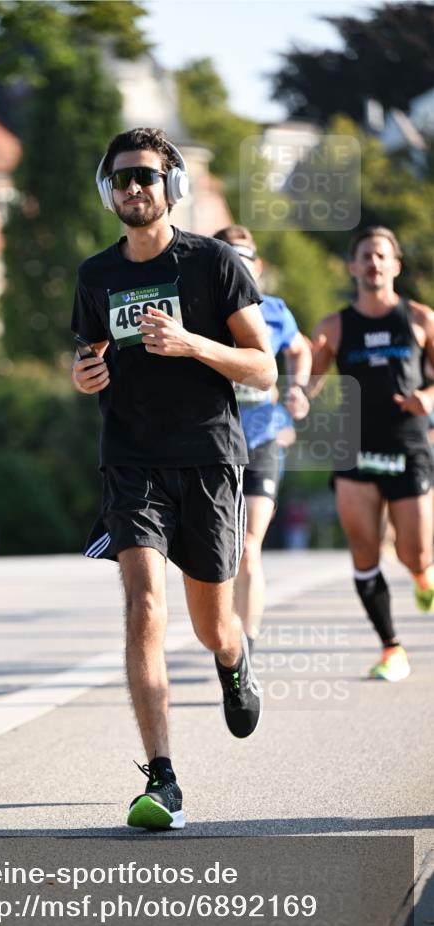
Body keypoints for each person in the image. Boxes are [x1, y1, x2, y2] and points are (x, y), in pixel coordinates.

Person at [71, 128, 277, 830]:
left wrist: (193, 344)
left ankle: (232, 658)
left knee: (210, 624)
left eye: (147, 177)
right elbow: (88, 356)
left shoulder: (214, 263)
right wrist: (83, 373)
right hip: (131, 460)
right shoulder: (95, 276)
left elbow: (264, 367)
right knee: (142, 606)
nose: (134, 188)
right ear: (109, 192)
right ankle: (162, 779)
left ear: (170, 187)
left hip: (208, 459)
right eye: (123, 178)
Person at [310, 226, 434, 682]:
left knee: (415, 551)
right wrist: (299, 382)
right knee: (365, 554)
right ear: (353, 266)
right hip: (355, 450)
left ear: (395, 265)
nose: (373, 263)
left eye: (381, 256)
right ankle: (391, 648)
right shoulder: (335, 326)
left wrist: (430, 399)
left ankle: (423, 574)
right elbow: (308, 384)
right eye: (365, 256)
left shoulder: (421, 319)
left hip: (409, 447)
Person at [214, 226, 311, 652]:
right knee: (224, 551)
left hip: (262, 438)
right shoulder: (201, 312)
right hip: (213, 442)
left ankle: (246, 645)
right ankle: (222, 628)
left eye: (245, 260)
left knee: (250, 544)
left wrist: (299, 388)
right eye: (230, 259)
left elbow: (301, 348)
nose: (240, 267)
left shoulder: (273, 310)